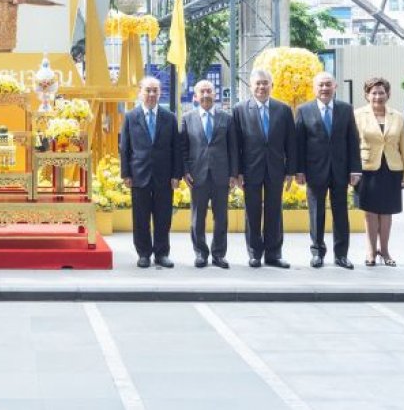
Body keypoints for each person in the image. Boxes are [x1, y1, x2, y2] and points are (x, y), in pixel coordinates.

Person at [295, 72, 361, 269]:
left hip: (340, 170)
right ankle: (317, 253)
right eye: (321, 85)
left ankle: (341, 255)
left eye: (328, 85)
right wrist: (299, 170)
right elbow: (299, 144)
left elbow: (352, 141)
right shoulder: (304, 110)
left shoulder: (346, 109)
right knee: (316, 213)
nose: (324, 89)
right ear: (314, 88)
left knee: (341, 213)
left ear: (335, 87)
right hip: (315, 171)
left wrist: (355, 169)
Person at [232, 69, 297, 269]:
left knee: (274, 212)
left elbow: (291, 143)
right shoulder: (240, 109)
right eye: (258, 83)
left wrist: (290, 171)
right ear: (251, 86)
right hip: (251, 169)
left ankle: (274, 254)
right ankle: (254, 253)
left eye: (265, 83)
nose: (261, 87)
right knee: (252, 212)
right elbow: (236, 144)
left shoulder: (283, 110)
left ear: (271, 85)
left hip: (276, 169)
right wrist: (237, 172)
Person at [119, 76, 182, 269]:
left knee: (163, 217)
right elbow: (125, 148)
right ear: (140, 92)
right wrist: (126, 174)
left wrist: (176, 175)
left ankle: (162, 253)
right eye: (148, 90)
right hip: (139, 175)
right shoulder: (131, 117)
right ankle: (144, 253)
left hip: (164, 176)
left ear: (160, 92)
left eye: (155, 90)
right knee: (141, 218)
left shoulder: (169, 117)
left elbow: (176, 148)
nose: (152, 94)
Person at [181, 79, 239, 269]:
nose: (206, 94)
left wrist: (234, 173)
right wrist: (186, 171)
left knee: (221, 218)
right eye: (202, 92)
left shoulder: (227, 118)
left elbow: (233, 148)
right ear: (195, 97)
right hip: (197, 176)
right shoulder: (187, 118)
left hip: (221, 176)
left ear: (215, 94)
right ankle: (200, 253)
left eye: (209, 91)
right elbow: (184, 149)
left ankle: (219, 254)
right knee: (198, 218)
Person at [353, 77, 404, 267]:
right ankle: (370, 251)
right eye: (374, 92)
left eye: (381, 92)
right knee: (370, 213)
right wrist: (352, 171)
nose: (378, 96)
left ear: (388, 94)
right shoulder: (357, 115)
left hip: (392, 169)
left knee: (387, 212)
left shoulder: (398, 116)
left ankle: (385, 250)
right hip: (367, 169)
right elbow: (352, 145)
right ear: (367, 95)